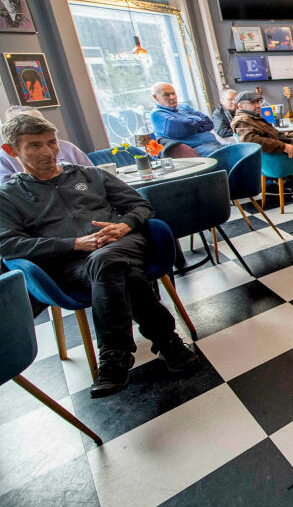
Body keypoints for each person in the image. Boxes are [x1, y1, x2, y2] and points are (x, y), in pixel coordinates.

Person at [0, 113, 200, 398]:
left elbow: (141, 205)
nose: (48, 152)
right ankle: (166, 340)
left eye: (51, 142)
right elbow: (8, 245)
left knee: (107, 259)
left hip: (124, 245)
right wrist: (73, 244)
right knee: (116, 269)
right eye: (34, 146)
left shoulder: (90, 175)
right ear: (11, 151)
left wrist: (125, 225)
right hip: (70, 265)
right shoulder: (8, 196)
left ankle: (114, 356)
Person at [0, 106, 92, 183]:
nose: (39, 126)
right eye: (28, 123)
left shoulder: (68, 148)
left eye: (41, 121)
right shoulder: (4, 158)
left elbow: (91, 177)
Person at [149, 82, 221, 156]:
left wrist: (191, 126)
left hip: (214, 143)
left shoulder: (184, 107)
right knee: (227, 153)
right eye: (166, 95)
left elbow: (208, 122)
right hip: (196, 150)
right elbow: (182, 128)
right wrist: (198, 122)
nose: (172, 97)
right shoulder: (157, 114)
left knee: (232, 146)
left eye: (173, 93)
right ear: (155, 97)